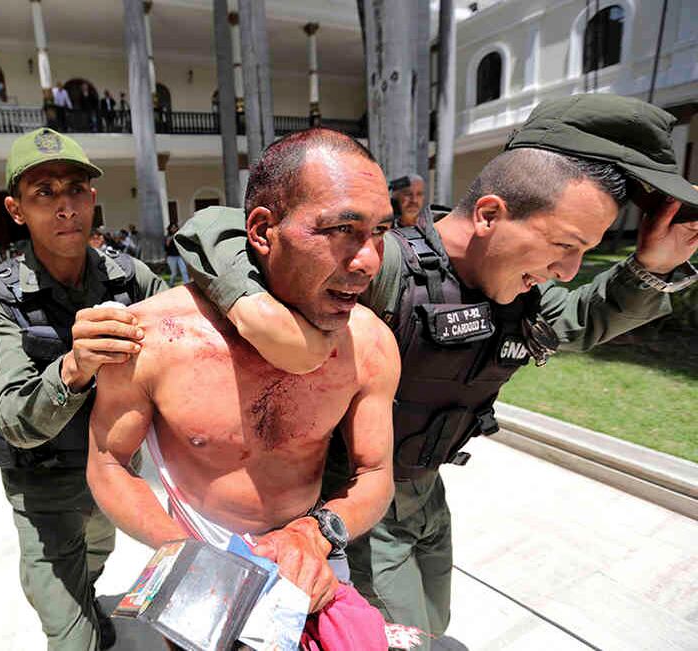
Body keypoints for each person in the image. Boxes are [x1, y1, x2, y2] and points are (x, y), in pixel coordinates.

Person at [174, 94, 698, 647]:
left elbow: (584, 319)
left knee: (434, 625)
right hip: (352, 509)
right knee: (401, 638)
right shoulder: (384, 269)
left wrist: (650, 269)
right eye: (564, 247)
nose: (568, 272)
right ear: (490, 215)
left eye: (583, 252)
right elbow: (219, 225)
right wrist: (253, 308)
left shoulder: (519, 296)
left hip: (427, 497)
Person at [87, 129, 400, 644]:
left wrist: (314, 533)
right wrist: (185, 551)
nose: (369, 261)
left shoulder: (367, 344)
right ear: (261, 230)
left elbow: (376, 472)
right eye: (343, 228)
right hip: (195, 552)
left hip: (310, 561)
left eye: (380, 232)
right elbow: (106, 462)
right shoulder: (156, 337)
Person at [0, 127, 166, 650]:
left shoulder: (130, 278)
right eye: (44, 193)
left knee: (96, 556)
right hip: (44, 486)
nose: (64, 206)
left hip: (113, 476)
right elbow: (12, 419)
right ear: (16, 210)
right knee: (70, 636)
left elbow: (189, 336)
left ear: (93, 200)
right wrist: (74, 367)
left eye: (75, 189)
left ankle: (88, 600)